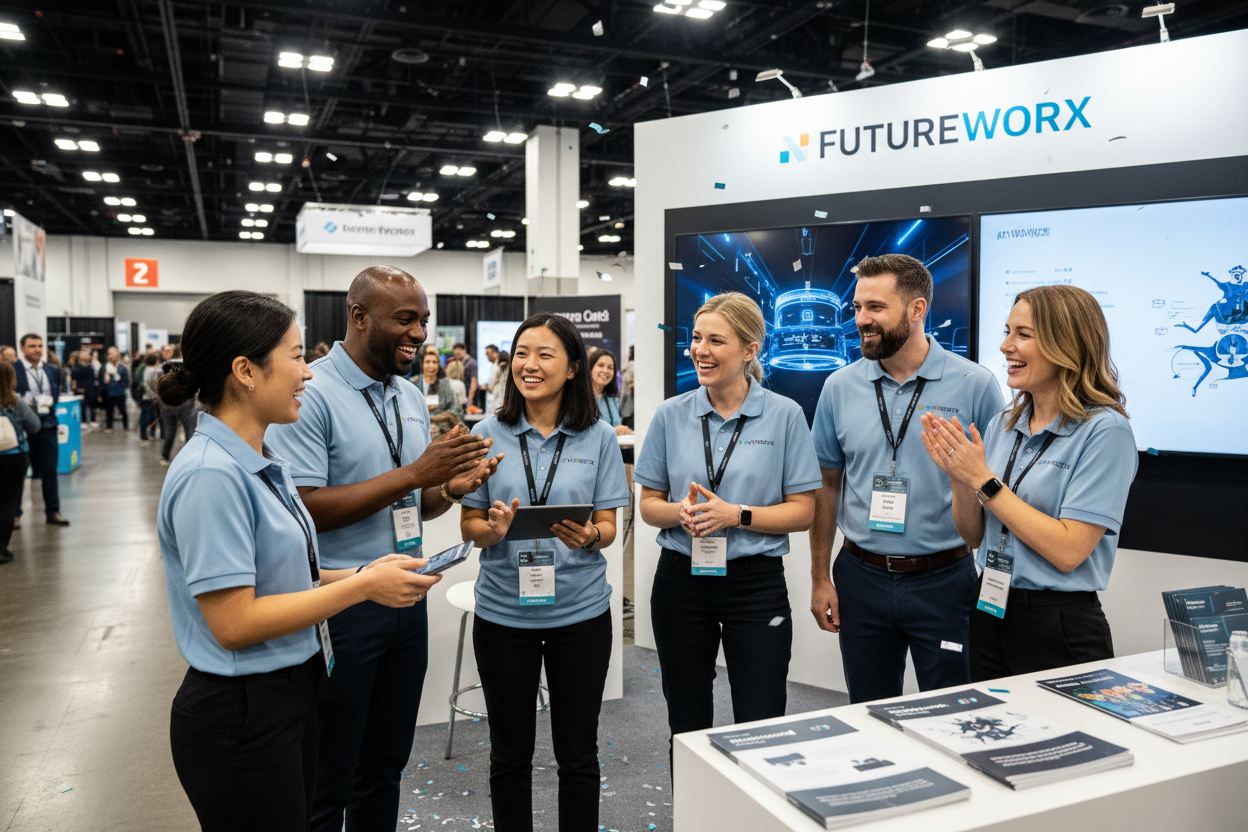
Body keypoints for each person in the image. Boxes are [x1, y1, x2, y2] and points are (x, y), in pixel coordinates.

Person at [157, 290, 444, 832]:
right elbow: (235, 623)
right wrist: (360, 589)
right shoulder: (210, 475)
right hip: (242, 712)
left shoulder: (261, 461)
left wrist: (366, 574)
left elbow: (292, 574)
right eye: (294, 357)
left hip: (291, 690)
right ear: (245, 371)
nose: (307, 374)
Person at [265, 265, 501, 832]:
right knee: (331, 773)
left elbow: (415, 504)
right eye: (405, 319)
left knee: (386, 765)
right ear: (359, 317)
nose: (419, 332)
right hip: (340, 605)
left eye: (423, 320)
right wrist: (417, 473)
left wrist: (447, 488)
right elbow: (304, 507)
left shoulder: (409, 396)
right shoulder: (312, 393)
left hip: (405, 604)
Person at [460, 313, 629, 831]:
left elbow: (608, 526)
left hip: (579, 614)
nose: (529, 366)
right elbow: (469, 525)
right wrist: (492, 529)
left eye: (545, 354)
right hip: (504, 616)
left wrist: (591, 536)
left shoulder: (598, 437)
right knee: (509, 754)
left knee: (578, 753)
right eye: (522, 354)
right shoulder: (485, 434)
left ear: (574, 367)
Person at [634, 292, 820, 766]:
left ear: (750, 349)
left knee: (762, 722)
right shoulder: (670, 415)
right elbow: (648, 506)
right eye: (697, 338)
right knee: (687, 723)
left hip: (754, 587)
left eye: (717, 340)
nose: (701, 350)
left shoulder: (785, 415)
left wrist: (735, 515)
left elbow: (803, 512)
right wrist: (682, 513)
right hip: (680, 582)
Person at [808, 254, 1003, 704]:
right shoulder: (839, 386)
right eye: (857, 307)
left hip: (946, 580)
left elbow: (996, 487)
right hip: (860, 577)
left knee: (955, 708)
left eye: (875, 307)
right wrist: (820, 576)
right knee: (869, 709)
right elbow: (827, 484)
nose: (861, 320)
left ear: (917, 310)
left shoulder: (975, 384)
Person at [919, 284, 1136, 680]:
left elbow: (1069, 550)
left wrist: (983, 481)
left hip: (1057, 621)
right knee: (992, 735)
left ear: (1066, 343)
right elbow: (974, 537)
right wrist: (959, 478)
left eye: (1023, 334)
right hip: (990, 604)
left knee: (1065, 739)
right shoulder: (1004, 424)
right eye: (1006, 331)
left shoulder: (1106, 431)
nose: (1005, 346)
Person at [14, 333, 70, 526]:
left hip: (48, 426)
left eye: (40, 345)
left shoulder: (52, 370)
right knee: (18, 472)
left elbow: (56, 394)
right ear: (22, 349)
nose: (37, 349)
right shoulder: (14, 370)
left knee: (50, 471)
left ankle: (53, 512)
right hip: (22, 428)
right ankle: (15, 515)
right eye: (32, 346)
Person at [0, 362, 40, 563]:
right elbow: (34, 426)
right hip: (14, 456)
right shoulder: (14, 402)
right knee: (8, 504)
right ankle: (2, 549)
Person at [160, 345, 198, 466]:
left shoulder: (165, 365)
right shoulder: (189, 366)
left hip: (167, 404)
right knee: (189, 431)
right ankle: (189, 459)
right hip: (186, 403)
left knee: (169, 432)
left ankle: (164, 456)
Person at [587, 348, 631, 437]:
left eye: (610, 367)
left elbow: (616, 425)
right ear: (590, 368)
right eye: (600, 365)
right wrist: (613, 432)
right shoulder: (580, 398)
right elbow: (580, 433)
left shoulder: (612, 398)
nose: (605, 371)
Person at [413, 351, 457, 416]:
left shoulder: (445, 385)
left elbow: (453, 408)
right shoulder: (414, 383)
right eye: (427, 362)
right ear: (422, 364)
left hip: (440, 424)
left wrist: (437, 418)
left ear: (438, 365)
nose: (431, 365)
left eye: (434, 362)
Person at [99, 346, 131, 430]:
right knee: (109, 411)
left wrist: (121, 381)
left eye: (112, 353)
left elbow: (127, 381)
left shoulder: (122, 368)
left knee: (123, 411)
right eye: (109, 354)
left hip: (120, 392)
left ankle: (126, 426)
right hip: (109, 393)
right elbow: (100, 381)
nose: (111, 356)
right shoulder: (104, 367)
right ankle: (109, 426)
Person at [139, 353, 163, 441]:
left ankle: (143, 433)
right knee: (151, 416)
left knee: (145, 415)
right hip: (153, 397)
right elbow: (155, 385)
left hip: (146, 396)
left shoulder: (146, 370)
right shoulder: (154, 371)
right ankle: (147, 433)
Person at [71, 349, 98, 424]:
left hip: (90, 388)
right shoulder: (77, 367)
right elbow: (74, 378)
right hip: (81, 388)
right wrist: (76, 388)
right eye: (84, 354)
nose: (87, 356)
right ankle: (83, 420)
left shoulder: (91, 366)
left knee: (92, 404)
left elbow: (93, 377)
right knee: (82, 405)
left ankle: (93, 419)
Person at [452, 341, 479, 411]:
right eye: (455, 354)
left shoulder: (471, 363)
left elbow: (474, 381)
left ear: (464, 350)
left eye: (458, 353)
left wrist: (469, 401)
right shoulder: (460, 363)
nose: (456, 356)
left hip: (468, 399)